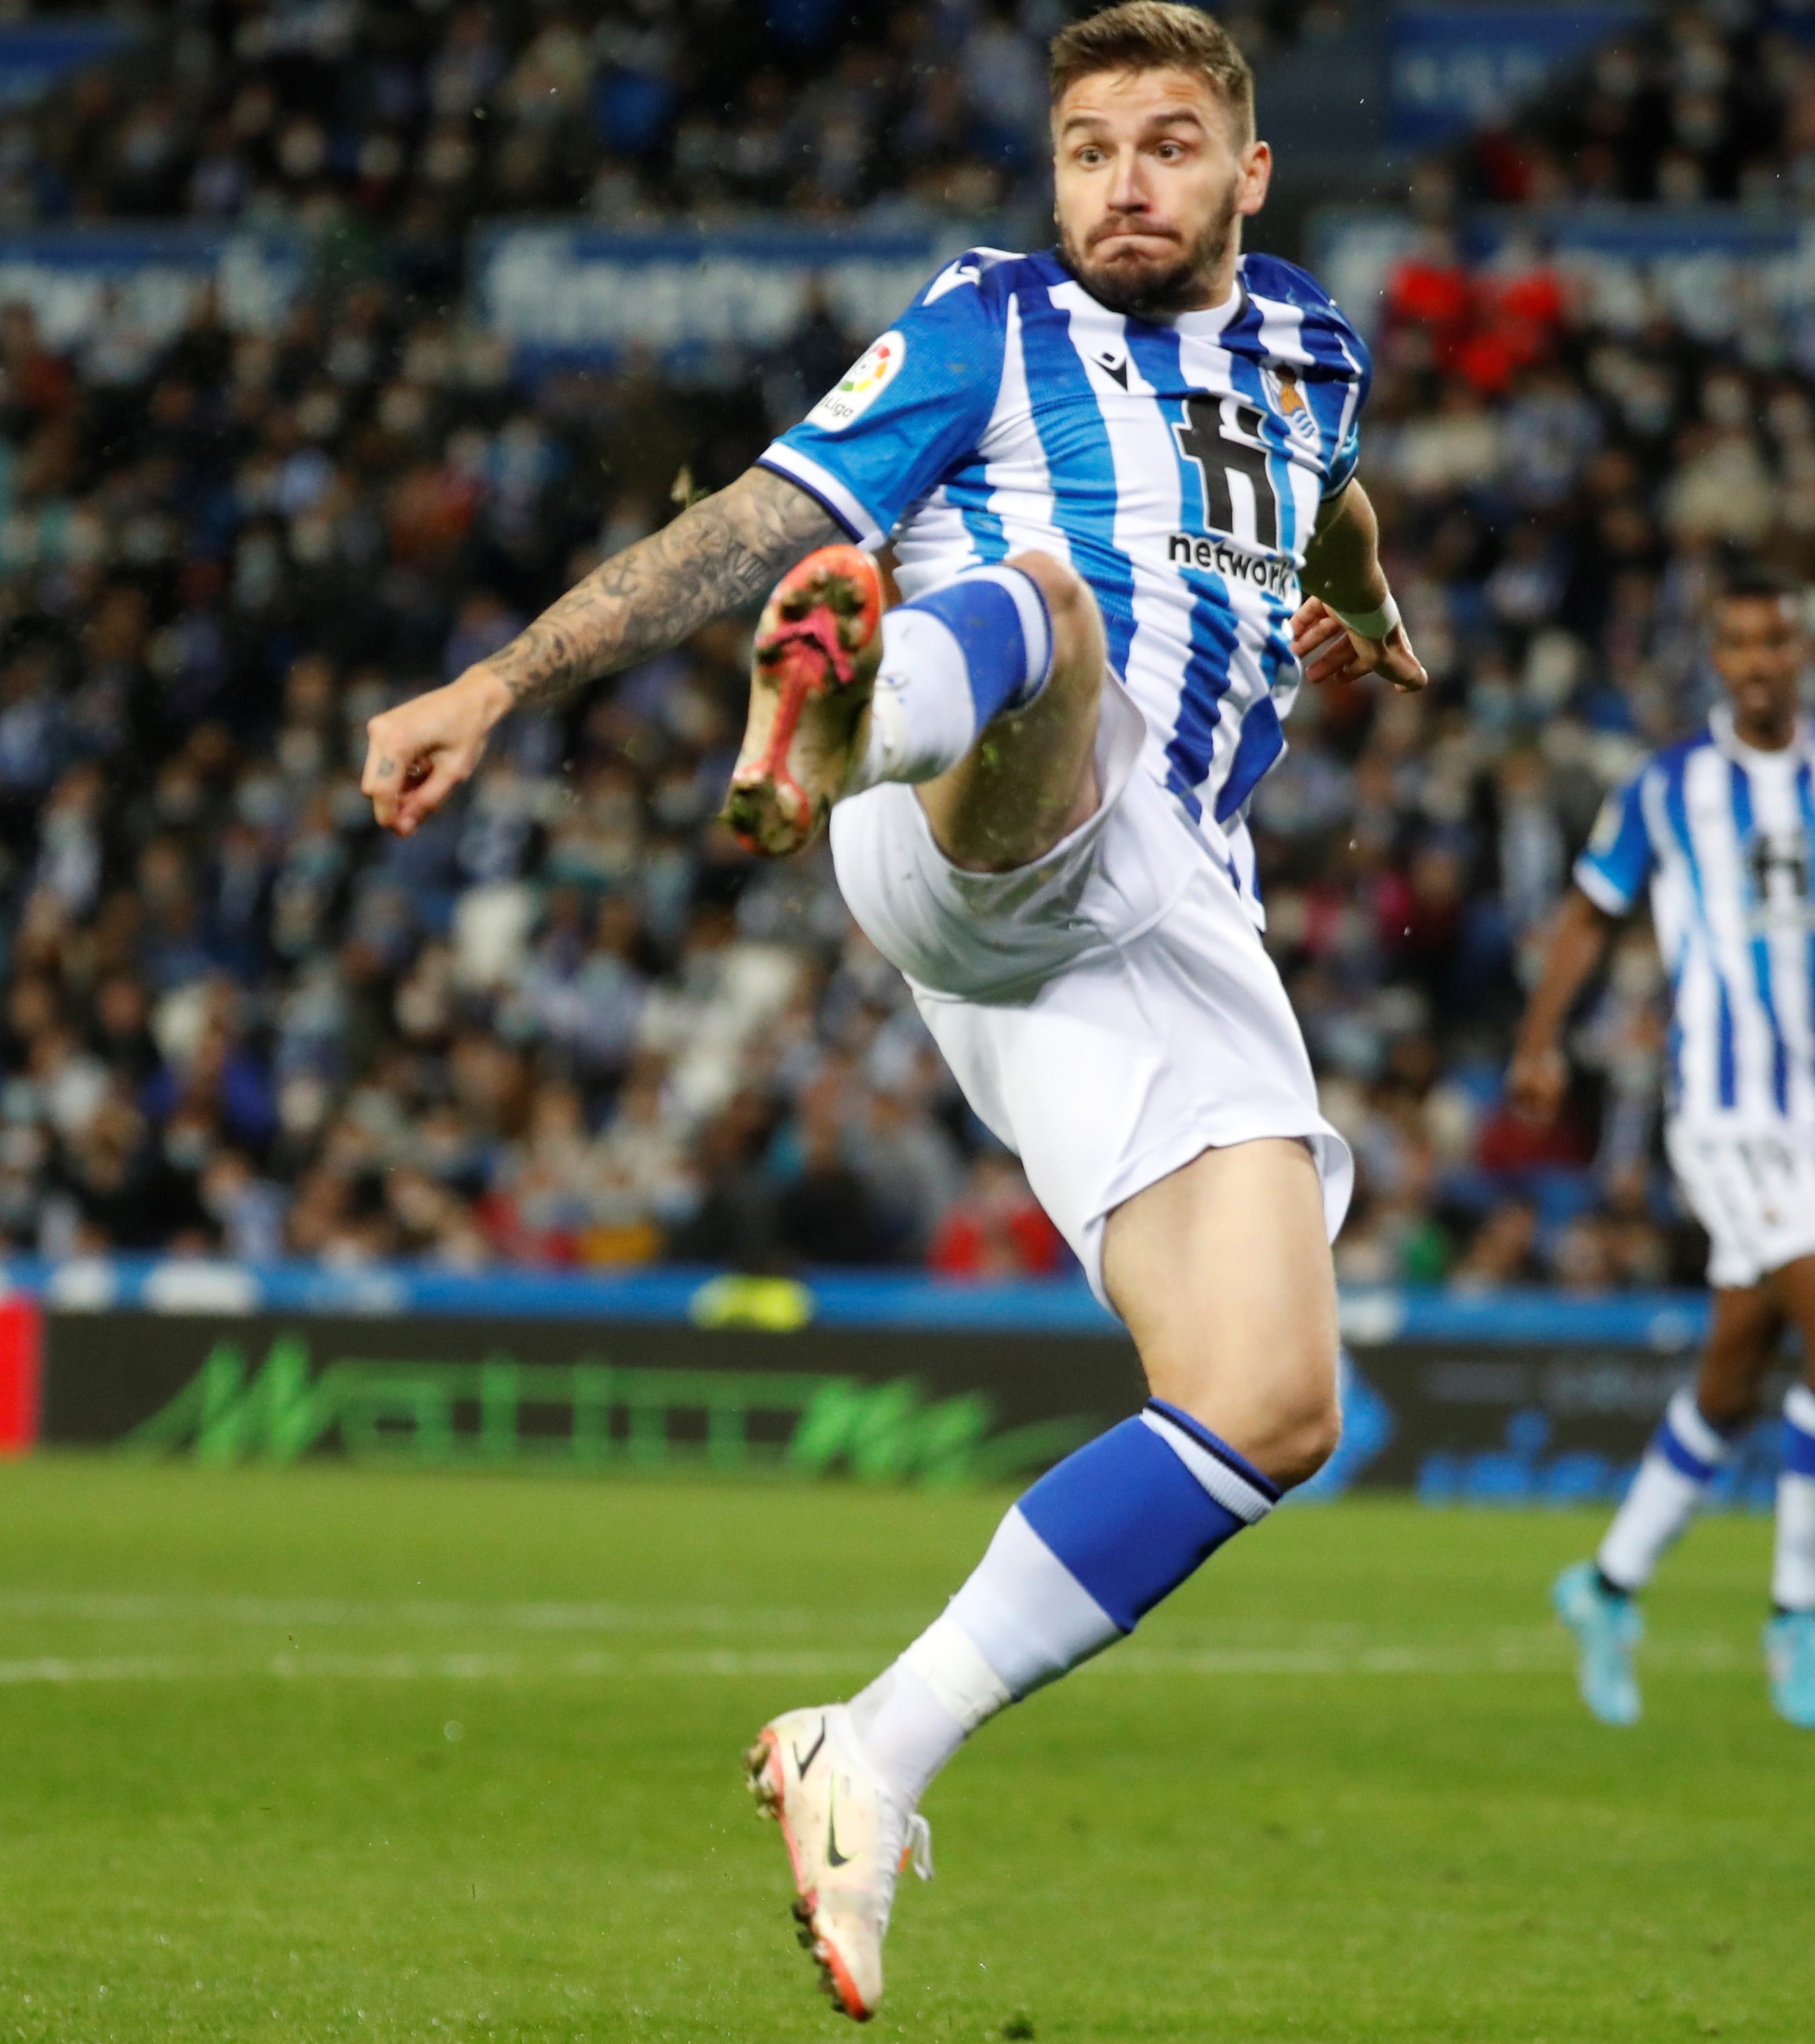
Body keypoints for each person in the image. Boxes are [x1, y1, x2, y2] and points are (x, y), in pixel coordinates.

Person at [362, 3, 1422, 2017]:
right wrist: (490, 689)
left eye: (1168, 144)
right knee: (1055, 612)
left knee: (1271, 1401)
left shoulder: (1309, 344)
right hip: (972, 810)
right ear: (1047, 175)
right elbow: (749, 519)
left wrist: (1364, 609)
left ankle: (871, 1747)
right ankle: (851, 696)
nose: (1124, 182)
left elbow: (1332, 492)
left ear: (1244, 174)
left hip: (1155, 916)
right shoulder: (986, 320)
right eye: (1089, 145)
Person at [1509, 567, 1815, 1732]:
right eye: (1739, 644)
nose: (1760, 660)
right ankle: (1796, 1612)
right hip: (1720, 1109)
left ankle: (1609, 1584)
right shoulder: (1668, 786)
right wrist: (1538, 1040)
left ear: (1801, 653)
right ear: (1716, 659)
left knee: (1734, 1361)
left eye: (1777, 640)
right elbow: (1587, 910)